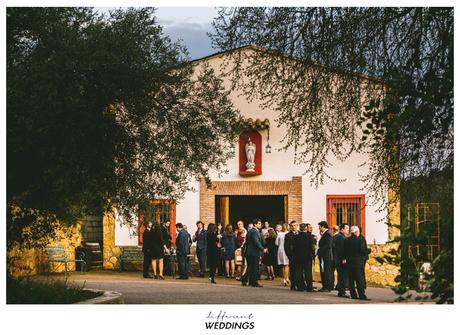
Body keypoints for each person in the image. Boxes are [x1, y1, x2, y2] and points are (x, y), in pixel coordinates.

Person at [344, 226, 371, 300]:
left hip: (349, 262)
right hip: (358, 262)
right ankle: (361, 295)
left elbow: (344, 251)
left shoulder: (346, 240)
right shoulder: (359, 240)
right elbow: (362, 250)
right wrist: (370, 250)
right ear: (356, 232)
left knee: (351, 279)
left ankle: (353, 295)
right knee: (359, 279)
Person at [245, 220, 265, 287]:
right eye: (259, 223)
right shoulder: (254, 232)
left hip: (249, 252)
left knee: (251, 267)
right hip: (254, 252)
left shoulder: (250, 231)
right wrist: (262, 249)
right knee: (255, 268)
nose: (260, 225)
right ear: (255, 224)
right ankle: (254, 282)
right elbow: (256, 242)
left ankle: (248, 280)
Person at [333, 224, 350, 297]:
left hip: (339, 259)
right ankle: (342, 292)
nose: (348, 230)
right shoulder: (340, 237)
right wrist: (344, 258)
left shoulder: (341, 236)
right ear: (342, 229)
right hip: (341, 260)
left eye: (348, 228)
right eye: (346, 228)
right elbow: (341, 250)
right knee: (342, 276)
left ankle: (341, 291)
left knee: (342, 275)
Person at [318, 221, 333, 292]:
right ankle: (325, 286)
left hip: (326, 256)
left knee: (326, 271)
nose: (319, 228)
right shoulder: (325, 234)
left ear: (323, 227)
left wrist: (320, 250)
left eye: (319, 227)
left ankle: (327, 287)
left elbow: (328, 245)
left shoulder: (327, 234)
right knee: (325, 271)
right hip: (325, 256)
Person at [284, 220, 300, 290]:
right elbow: (286, 246)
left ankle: (299, 284)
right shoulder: (288, 235)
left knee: (299, 271)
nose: (294, 227)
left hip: (300, 256)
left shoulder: (300, 234)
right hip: (292, 256)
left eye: (295, 225)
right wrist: (289, 255)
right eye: (292, 226)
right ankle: (293, 285)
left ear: (297, 226)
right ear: (290, 227)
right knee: (293, 271)